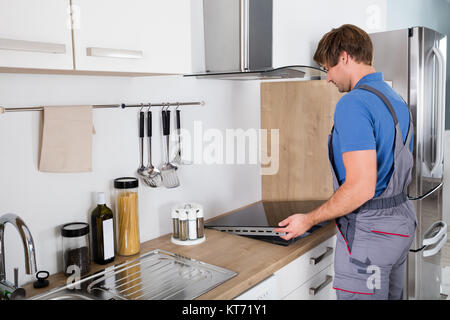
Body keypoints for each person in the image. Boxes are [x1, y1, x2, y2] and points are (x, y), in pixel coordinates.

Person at [273, 24, 417, 300]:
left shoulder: (354, 103)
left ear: (344, 57)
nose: (328, 79)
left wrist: (309, 219)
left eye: (328, 69)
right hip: (399, 225)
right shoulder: (395, 98)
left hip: (371, 235)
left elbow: (361, 188)